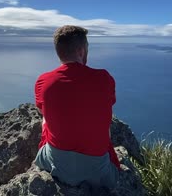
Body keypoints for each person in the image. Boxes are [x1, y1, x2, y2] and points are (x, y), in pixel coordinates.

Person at [34, 25, 120, 189]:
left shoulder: (43, 81)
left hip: (56, 166)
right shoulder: (104, 78)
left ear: (58, 51)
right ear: (81, 51)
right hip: (99, 173)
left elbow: (42, 111)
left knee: (45, 118)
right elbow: (107, 106)